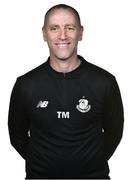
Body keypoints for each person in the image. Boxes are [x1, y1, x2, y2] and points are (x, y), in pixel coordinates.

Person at [8, 4, 124, 179]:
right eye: (54, 28)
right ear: (44, 34)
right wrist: (42, 164)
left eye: (70, 28)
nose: (63, 36)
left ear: (81, 32)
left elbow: (114, 134)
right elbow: (17, 136)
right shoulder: (26, 84)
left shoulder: (104, 82)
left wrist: (89, 165)